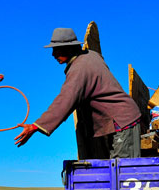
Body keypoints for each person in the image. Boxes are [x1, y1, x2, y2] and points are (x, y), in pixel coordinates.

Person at [14, 27, 142, 159]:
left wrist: (35, 126)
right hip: (117, 121)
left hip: (122, 121)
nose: (53, 54)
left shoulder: (79, 68)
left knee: (123, 171)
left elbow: (65, 100)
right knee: (114, 171)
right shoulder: (91, 55)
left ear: (68, 48)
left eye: (56, 49)